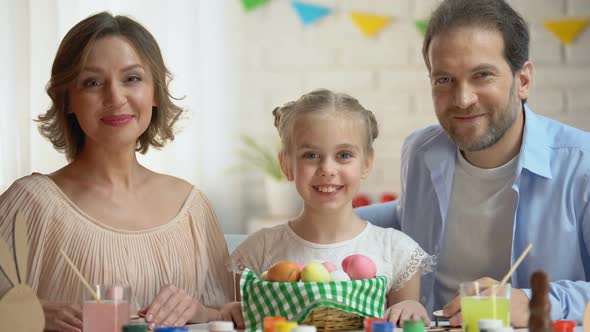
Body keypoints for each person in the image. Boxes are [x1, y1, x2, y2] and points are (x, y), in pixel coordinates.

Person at [0, 12, 240, 331]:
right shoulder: (29, 205)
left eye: (132, 78)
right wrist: (29, 315)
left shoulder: (192, 208)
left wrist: (201, 312)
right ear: (68, 99)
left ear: (155, 93)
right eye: (93, 82)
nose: (115, 97)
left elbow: (229, 316)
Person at [355, 0, 590, 327]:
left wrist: (533, 302)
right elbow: (406, 216)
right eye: (444, 80)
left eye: (482, 75)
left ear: (523, 80)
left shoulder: (582, 165)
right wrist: (321, 215)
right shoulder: (420, 150)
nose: (463, 99)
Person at [230, 89, 436, 326]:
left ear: (366, 163)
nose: (327, 168)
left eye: (344, 155)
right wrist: (229, 312)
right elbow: (236, 319)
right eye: (311, 155)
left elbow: (404, 323)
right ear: (286, 164)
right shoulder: (257, 252)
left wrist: (410, 307)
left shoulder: (397, 251)